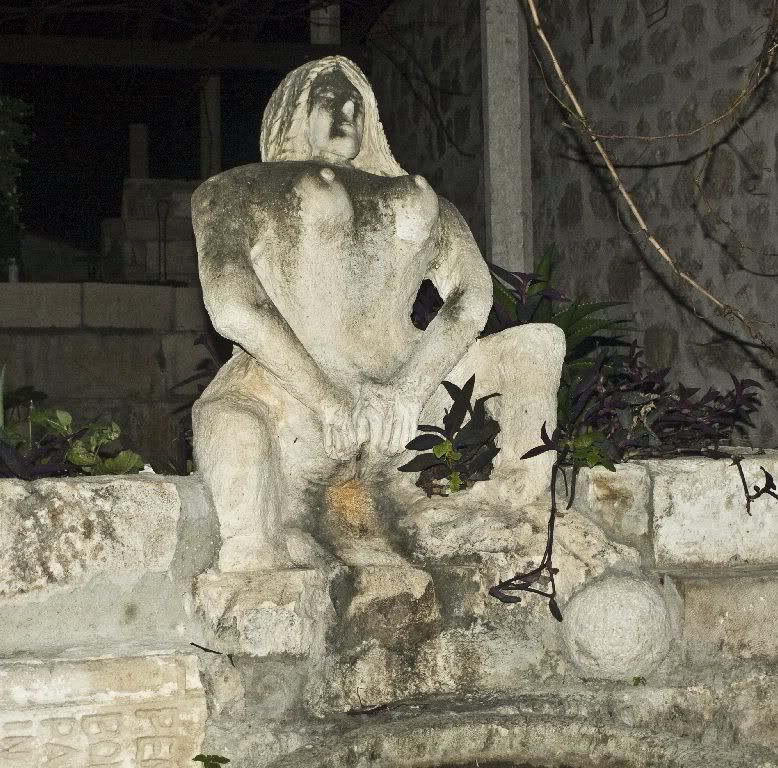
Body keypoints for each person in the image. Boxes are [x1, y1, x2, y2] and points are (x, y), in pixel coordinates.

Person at [191, 56, 562, 571]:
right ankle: (251, 545)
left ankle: (516, 502)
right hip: (291, 396)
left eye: (356, 103)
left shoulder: (420, 196)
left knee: (538, 346)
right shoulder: (238, 189)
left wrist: (409, 388)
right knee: (227, 420)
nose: (345, 112)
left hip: (410, 400)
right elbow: (233, 305)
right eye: (329, 99)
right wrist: (324, 398)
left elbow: (473, 296)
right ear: (295, 111)